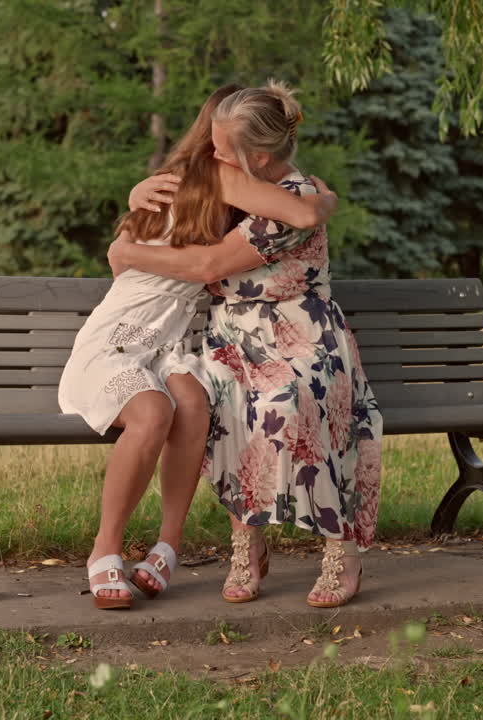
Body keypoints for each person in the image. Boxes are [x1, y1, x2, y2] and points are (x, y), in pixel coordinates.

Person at [61, 84, 339, 610]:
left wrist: (323, 197)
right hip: (121, 342)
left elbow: (296, 209)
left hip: (170, 346)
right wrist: (325, 200)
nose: (216, 151)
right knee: (153, 412)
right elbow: (300, 214)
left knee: (192, 403)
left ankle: (167, 546)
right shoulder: (211, 176)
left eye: (226, 141)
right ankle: (106, 549)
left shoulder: (225, 185)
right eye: (214, 136)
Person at [113, 80, 382, 609]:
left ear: (257, 155)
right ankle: (249, 541)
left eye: (221, 148)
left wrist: (126, 253)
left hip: (305, 339)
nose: (210, 156)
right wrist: (138, 192)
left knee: (284, 399)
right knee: (218, 396)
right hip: (233, 336)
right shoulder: (234, 184)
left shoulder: (293, 202)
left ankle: (342, 547)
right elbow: (182, 190)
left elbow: (209, 265)